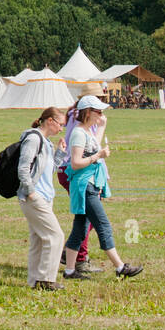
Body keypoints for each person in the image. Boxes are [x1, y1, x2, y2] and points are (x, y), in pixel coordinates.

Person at [62, 96, 142, 280]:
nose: (102, 114)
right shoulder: (78, 133)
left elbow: (95, 143)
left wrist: (102, 128)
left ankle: (70, 270)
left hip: (90, 185)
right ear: (88, 112)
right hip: (84, 186)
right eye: (99, 111)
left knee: (80, 229)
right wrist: (97, 156)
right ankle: (120, 267)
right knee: (103, 225)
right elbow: (75, 163)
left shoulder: (87, 131)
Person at [57, 83, 109, 275]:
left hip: (78, 170)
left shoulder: (77, 115)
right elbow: (90, 147)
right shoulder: (80, 120)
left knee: (85, 217)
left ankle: (73, 255)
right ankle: (77, 258)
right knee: (88, 217)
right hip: (78, 171)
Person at [17, 107, 67, 291]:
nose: (61, 128)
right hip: (34, 197)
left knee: (38, 239)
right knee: (56, 236)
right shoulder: (33, 139)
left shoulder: (46, 142)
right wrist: (30, 192)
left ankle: (34, 281)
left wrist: (59, 153)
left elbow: (48, 170)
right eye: (60, 124)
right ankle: (46, 280)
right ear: (50, 121)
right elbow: (23, 168)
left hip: (45, 197)